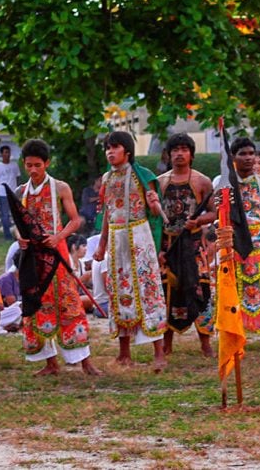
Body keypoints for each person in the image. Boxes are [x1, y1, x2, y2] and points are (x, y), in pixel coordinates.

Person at [15, 138, 99, 376]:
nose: (33, 170)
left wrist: (58, 236)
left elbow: (75, 220)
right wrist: (19, 237)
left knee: (69, 302)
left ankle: (85, 361)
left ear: (47, 163)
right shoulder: (22, 192)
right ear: (24, 164)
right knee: (36, 302)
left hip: (56, 252)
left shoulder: (60, 187)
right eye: (29, 165)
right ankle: (50, 363)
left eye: (37, 165)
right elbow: (18, 224)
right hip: (32, 256)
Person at [92, 131, 168, 371]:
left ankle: (158, 353)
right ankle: (124, 353)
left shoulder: (144, 176)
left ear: (127, 151)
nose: (110, 152)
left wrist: (155, 204)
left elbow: (156, 214)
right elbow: (107, 212)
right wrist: (102, 244)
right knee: (119, 289)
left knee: (148, 289)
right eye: (107, 148)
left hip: (139, 236)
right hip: (116, 238)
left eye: (115, 148)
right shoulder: (106, 178)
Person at [157, 133, 217, 357]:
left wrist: (199, 220)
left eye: (184, 149)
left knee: (201, 289)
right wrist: (159, 249)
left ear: (191, 154)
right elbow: (155, 219)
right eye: (175, 150)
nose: (179, 154)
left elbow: (213, 212)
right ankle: (167, 342)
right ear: (169, 154)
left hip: (193, 245)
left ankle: (205, 342)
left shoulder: (202, 181)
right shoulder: (161, 182)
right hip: (169, 245)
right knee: (168, 291)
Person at [224, 137, 260, 345]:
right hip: (235, 247)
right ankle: (236, 332)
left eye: (251, 154)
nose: (248, 158)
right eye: (243, 154)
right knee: (236, 288)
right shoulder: (225, 185)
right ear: (233, 158)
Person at [0, 145, 21, 242]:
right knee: (5, 215)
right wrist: (1, 187)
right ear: (1, 154)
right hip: (3, 193)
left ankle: (18, 233)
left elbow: (18, 177)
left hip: (14, 193)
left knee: (16, 214)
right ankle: (7, 235)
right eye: (5, 152)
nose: (7, 154)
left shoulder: (14, 165)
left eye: (8, 152)